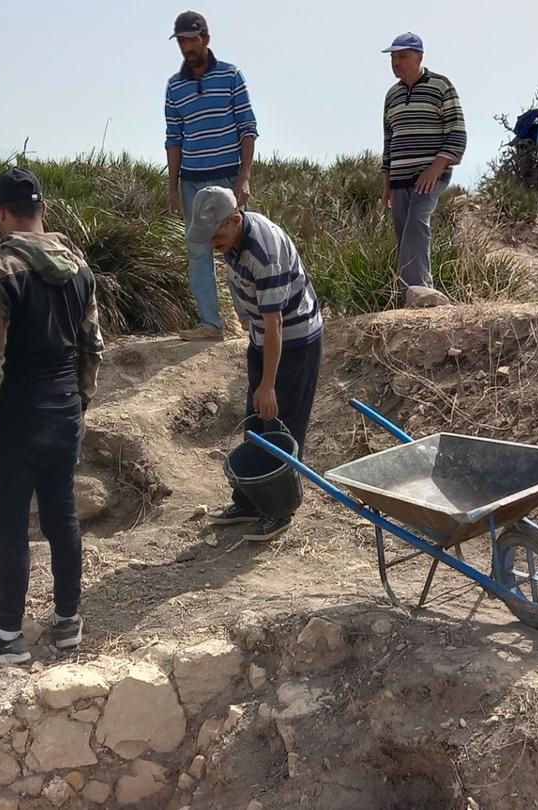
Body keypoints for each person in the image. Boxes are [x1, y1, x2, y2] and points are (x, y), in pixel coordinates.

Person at [0, 167, 105, 664]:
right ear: (43, 209)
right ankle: (67, 622)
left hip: (15, 417)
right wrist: (81, 403)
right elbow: (92, 346)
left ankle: (9, 635)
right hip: (63, 410)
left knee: (9, 525)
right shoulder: (80, 269)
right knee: (62, 516)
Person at [187, 186, 323, 543]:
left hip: (294, 341)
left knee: (281, 425)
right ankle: (247, 502)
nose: (213, 244)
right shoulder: (232, 240)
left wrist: (268, 384)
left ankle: (280, 511)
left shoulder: (265, 253)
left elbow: (277, 323)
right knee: (254, 422)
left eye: (216, 235)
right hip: (264, 338)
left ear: (235, 220)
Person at [164, 9, 258, 342]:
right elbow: (174, 138)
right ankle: (211, 325)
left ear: (205, 38)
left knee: (238, 248)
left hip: (228, 179)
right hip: (191, 181)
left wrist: (244, 177)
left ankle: (251, 322)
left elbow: (248, 129)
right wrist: (173, 187)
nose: (187, 46)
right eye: (181, 41)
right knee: (198, 250)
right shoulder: (174, 87)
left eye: (192, 39)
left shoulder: (232, 76)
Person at [380, 31, 466, 290]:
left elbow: (457, 133)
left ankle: (418, 291)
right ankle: (413, 292)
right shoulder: (391, 96)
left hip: (430, 174)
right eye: (393, 57)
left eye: (403, 56)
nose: (396, 62)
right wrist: (386, 184)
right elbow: (388, 142)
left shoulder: (441, 86)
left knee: (417, 224)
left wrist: (435, 169)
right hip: (398, 177)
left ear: (419, 56)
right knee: (403, 232)